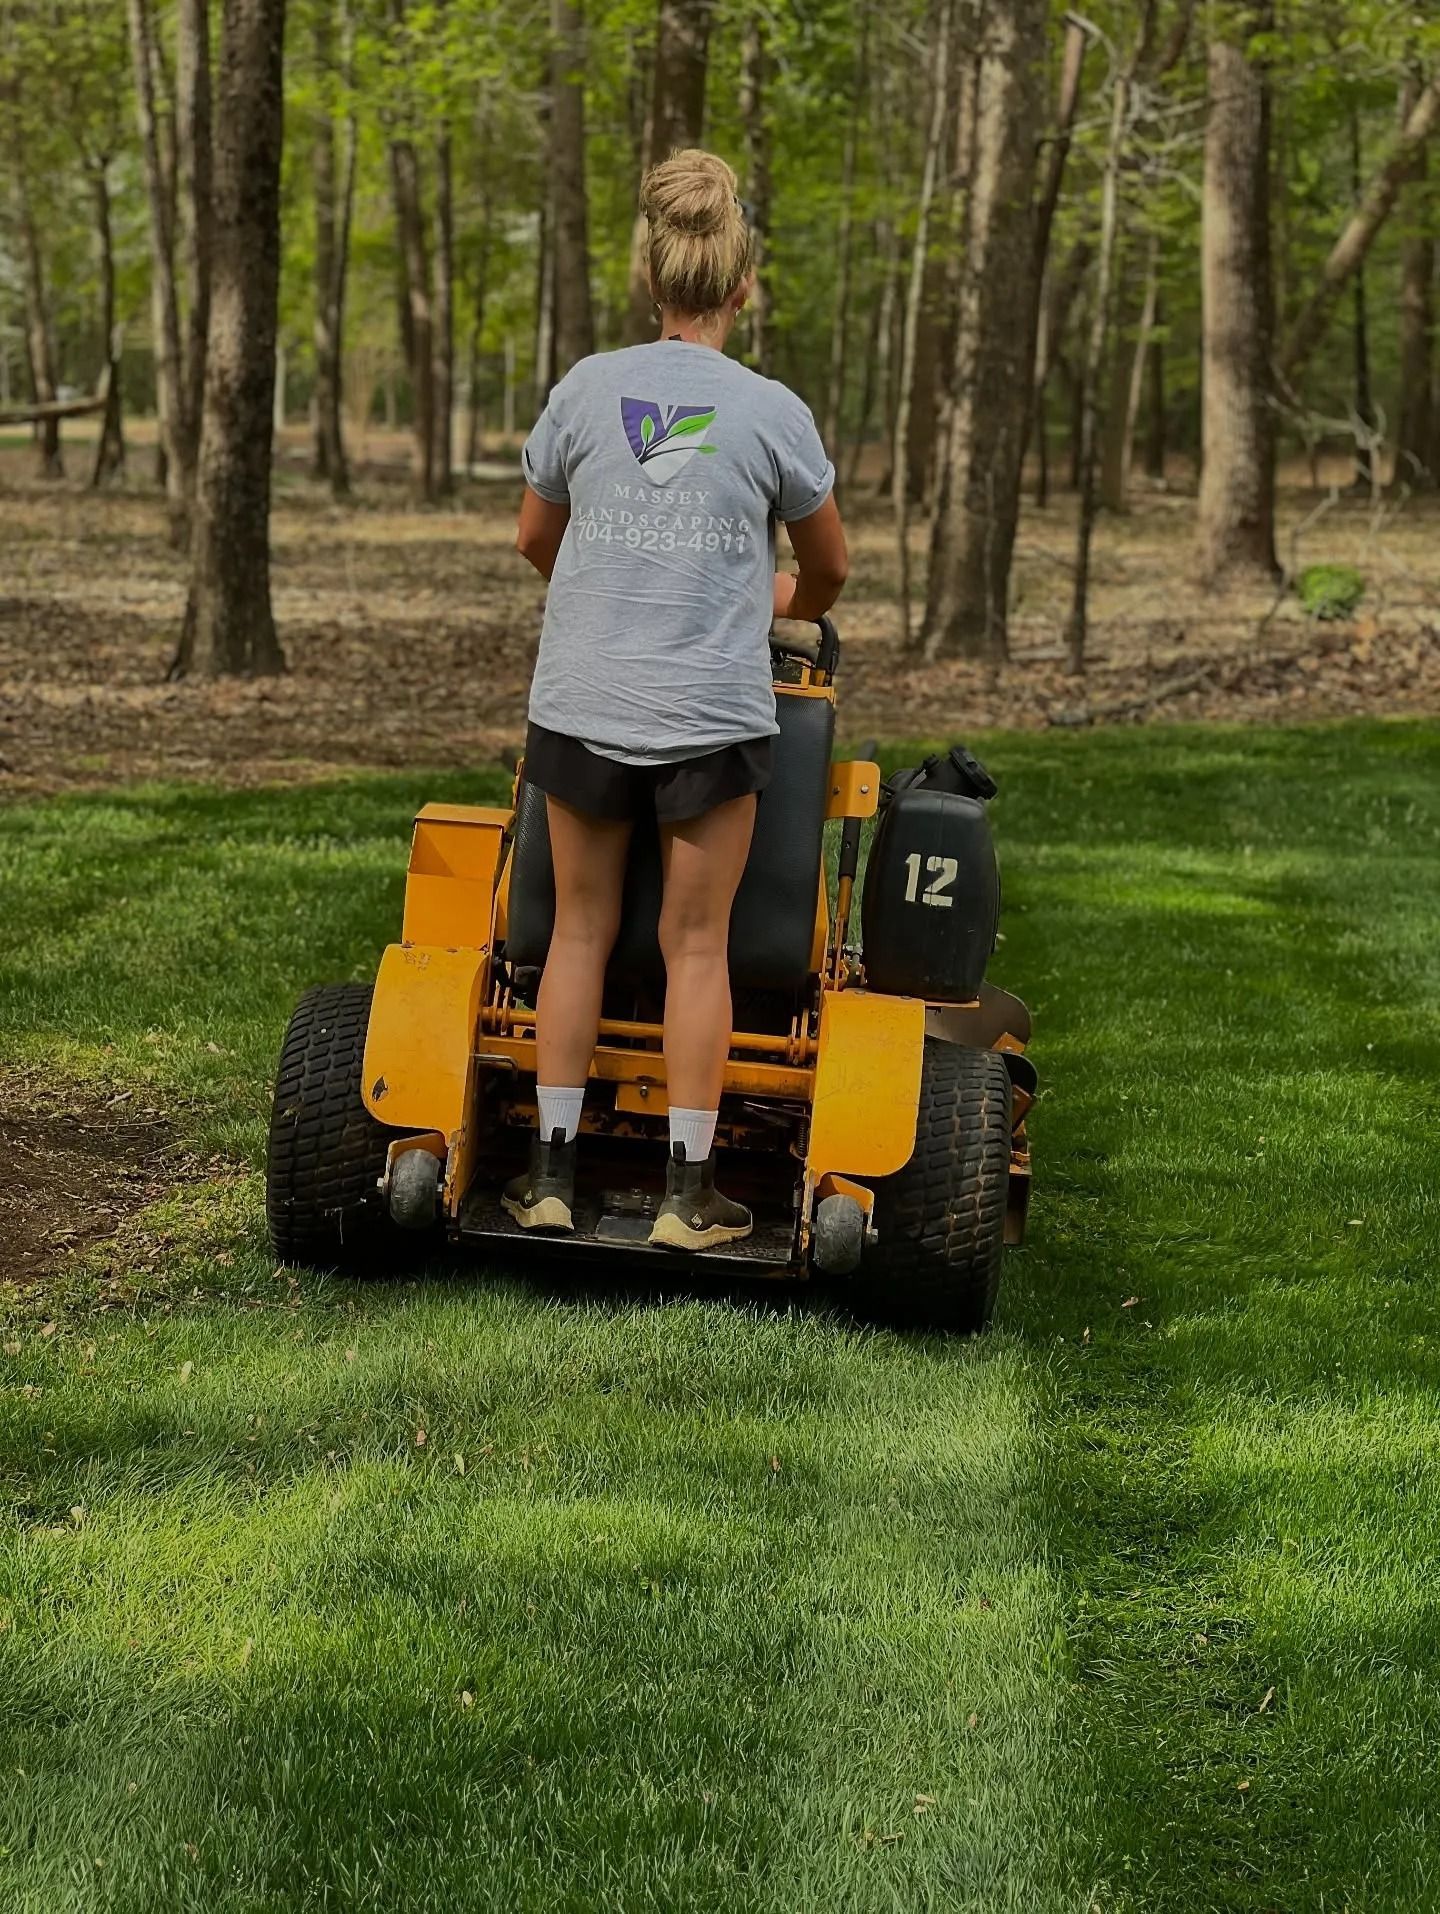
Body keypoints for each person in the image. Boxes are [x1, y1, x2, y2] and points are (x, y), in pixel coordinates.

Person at [504, 147, 849, 1251]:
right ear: (740, 286)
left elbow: (533, 538)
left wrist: (621, 588)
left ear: (649, 281)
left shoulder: (587, 388)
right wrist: (768, 597)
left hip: (586, 699)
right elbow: (829, 570)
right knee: (697, 946)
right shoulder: (771, 411)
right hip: (711, 712)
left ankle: (549, 1182)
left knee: (579, 936)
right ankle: (686, 1199)